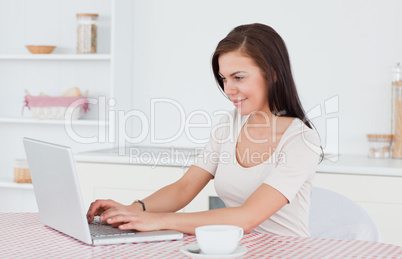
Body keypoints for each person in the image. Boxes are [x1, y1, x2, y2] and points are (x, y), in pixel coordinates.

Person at [87, 23, 322, 237]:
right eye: (224, 79)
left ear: (272, 73)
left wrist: (155, 220)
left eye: (238, 77)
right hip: (240, 249)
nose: (228, 89)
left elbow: (246, 218)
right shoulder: (228, 125)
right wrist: (131, 210)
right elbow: (184, 188)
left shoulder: (301, 141)